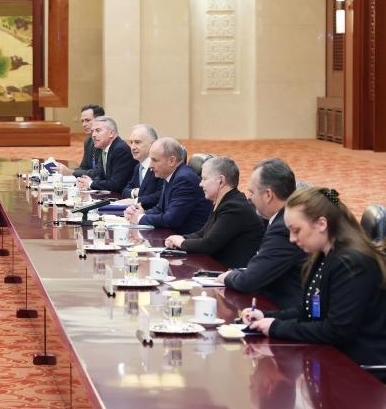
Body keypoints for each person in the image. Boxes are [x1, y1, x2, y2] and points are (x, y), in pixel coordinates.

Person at [243, 187, 386, 377]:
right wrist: (267, 317)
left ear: (321, 224)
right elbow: (310, 311)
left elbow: (337, 330)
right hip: (335, 360)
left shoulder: (352, 263)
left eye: (296, 230)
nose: (292, 239)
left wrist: (276, 327)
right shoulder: (323, 256)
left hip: (361, 373)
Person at [217, 158, 306, 308]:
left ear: (268, 195)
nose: (250, 198)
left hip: (285, 309)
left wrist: (228, 277)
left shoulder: (284, 227)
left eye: (252, 192)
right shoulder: (282, 219)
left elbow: (250, 280)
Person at [164, 156, 265, 268]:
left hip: (230, 273)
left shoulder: (234, 207)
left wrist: (181, 243)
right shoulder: (224, 201)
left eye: (205, 179)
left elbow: (209, 244)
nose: (200, 184)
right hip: (218, 268)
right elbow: (203, 233)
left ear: (221, 181)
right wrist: (180, 238)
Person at [125, 137, 211, 234]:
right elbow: (160, 209)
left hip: (185, 238)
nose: (150, 166)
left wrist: (140, 218)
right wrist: (138, 213)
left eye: (154, 160)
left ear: (171, 161)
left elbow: (171, 219)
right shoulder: (171, 175)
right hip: (171, 234)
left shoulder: (184, 179)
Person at [77, 116, 136, 194]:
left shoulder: (120, 149)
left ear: (111, 133)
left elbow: (116, 184)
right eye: (93, 131)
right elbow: (102, 176)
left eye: (98, 130)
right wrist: (89, 181)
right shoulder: (104, 148)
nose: (93, 135)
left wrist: (91, 184)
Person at [115, 124, 163, 209]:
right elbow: (125, 190)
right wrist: (135, 192)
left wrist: (136, 200)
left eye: (137, 142)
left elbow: (161, 195)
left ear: (152, 144)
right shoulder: (138, 167)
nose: (132, 147)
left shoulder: (161, 166)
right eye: (131, 142)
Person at [53, 104, 104, 177]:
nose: (84, 124)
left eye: (87, 120)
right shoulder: (88, 141)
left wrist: (71, 172)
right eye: (82, 121)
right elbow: (84, 167)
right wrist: (65, 170)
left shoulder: (105, 141)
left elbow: (99, 173)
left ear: (100, 120)